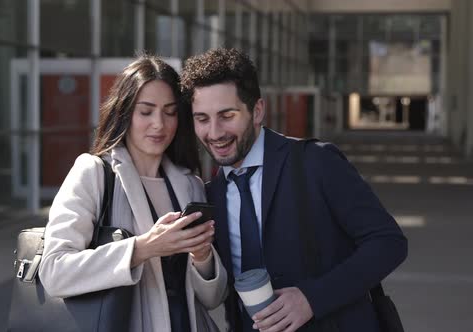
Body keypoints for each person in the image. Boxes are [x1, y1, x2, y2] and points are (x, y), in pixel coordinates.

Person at [180, 48, 408, 332]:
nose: (214, 132)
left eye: (227, 115)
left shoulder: (316, 161)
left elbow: (388, 242)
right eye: (202, 119)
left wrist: (312, 299)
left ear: (258, 110)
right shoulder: (210, 195)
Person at [39, 55, 228, 332]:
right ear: (125, 112)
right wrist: (142, 249)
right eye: (146, 111)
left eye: (170, 112)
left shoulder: (190, 185)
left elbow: (211, 299)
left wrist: (202, 258)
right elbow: (54, 272)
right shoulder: (93, 173)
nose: (159, 124)